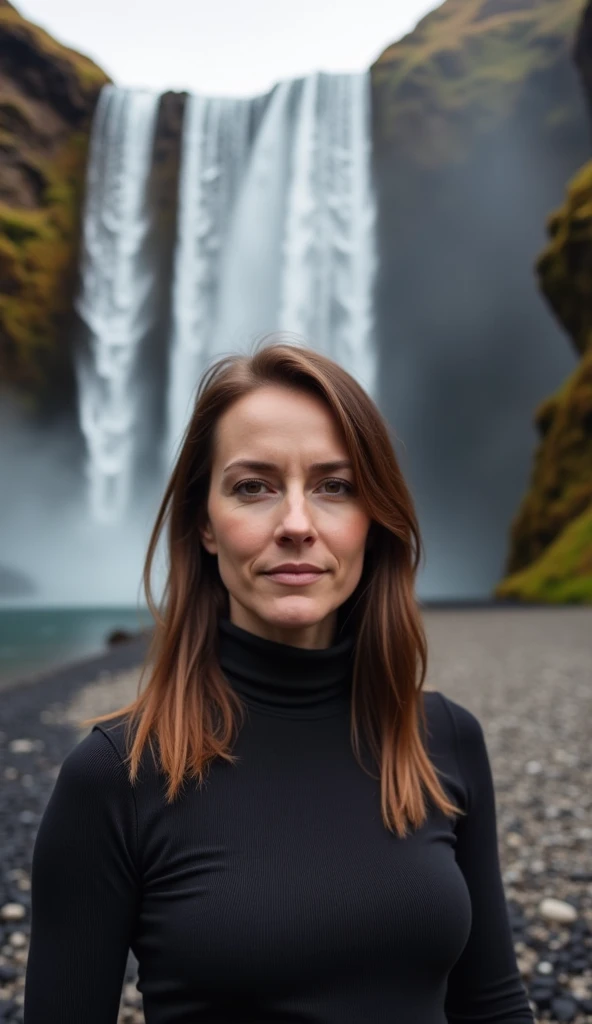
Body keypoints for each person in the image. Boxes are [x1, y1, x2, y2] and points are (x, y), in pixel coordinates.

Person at [23, 338, 535, 1023]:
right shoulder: (117, 777)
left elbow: (494, 1007)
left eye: (335, 486)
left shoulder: (444, 741)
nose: (296, 524)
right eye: (253, 487)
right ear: (205, 523)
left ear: (372, 520)